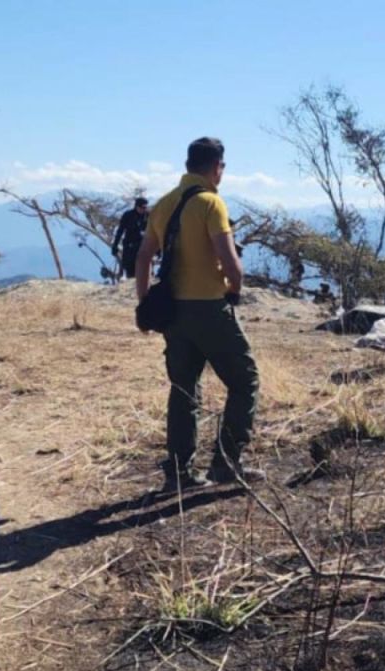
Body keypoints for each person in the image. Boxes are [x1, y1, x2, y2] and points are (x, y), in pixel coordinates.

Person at [136, 137, 260, 488]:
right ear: (216, 167)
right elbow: (230, 264)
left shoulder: (163, 204)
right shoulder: (211, 203)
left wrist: (145, 303)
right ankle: (225, 464)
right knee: (245, 381)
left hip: (174, 312)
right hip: (209, 308)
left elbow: (144, 256)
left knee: (184, 390)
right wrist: (234, 289)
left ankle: (179, 473)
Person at [114, 197, 149, 279]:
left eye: (145, 207)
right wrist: (115, 245)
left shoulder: (148, 216)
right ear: (137, 206)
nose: (144, 209)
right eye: (142, 207)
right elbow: (120, 231)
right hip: (129, 248)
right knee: (131, 273)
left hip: (143, 247)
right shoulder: (128, 215)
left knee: (144, 272)